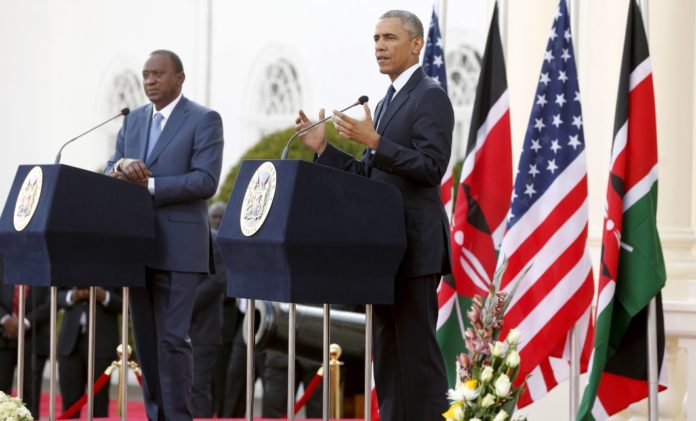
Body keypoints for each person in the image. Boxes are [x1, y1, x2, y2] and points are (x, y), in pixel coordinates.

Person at [294, 10, 453, 421]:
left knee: (417, 356)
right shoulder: (384, 103)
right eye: (376, 39)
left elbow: (432, 167)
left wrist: (377, 141)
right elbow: (368, 175)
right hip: (384, 250)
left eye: (390, 38)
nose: (379, 46)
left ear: (416, 44)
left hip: (416, 245)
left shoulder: (429, 94)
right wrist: (323, 148)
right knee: (387, 355)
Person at [105, 49, 224, 421]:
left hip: (180, 249)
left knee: (172, 340)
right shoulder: (133, 120)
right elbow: (113, 167)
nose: (150, 81)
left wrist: (151, 186)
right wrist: (122, 165)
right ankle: (157, 415)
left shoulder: (204, 120)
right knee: (146, 344)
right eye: (146, 75)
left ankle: (178, 417)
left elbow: (206, 180)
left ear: (180, 78)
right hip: (138, 246)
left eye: (158, 74)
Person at [57, 286, 122, 418]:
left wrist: (104, 296)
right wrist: (73, 295)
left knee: (99, 402)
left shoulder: (115, 266)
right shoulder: (70, 264)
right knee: (69, 404)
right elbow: (54, 296)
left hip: (102, 344)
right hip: (70, 344)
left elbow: (127, 304)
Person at [0, 258, 51, 419]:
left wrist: (24, 322)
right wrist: (5, 320)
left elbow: (53, 299)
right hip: (3, 337)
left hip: (34, 339)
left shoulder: (44, 261)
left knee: (31, 396)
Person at [189, 203, 226, 417]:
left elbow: (217, 280)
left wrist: (183, 305)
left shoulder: (214, 239)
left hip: (204, 331)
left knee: (198, 389)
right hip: (178, 329)